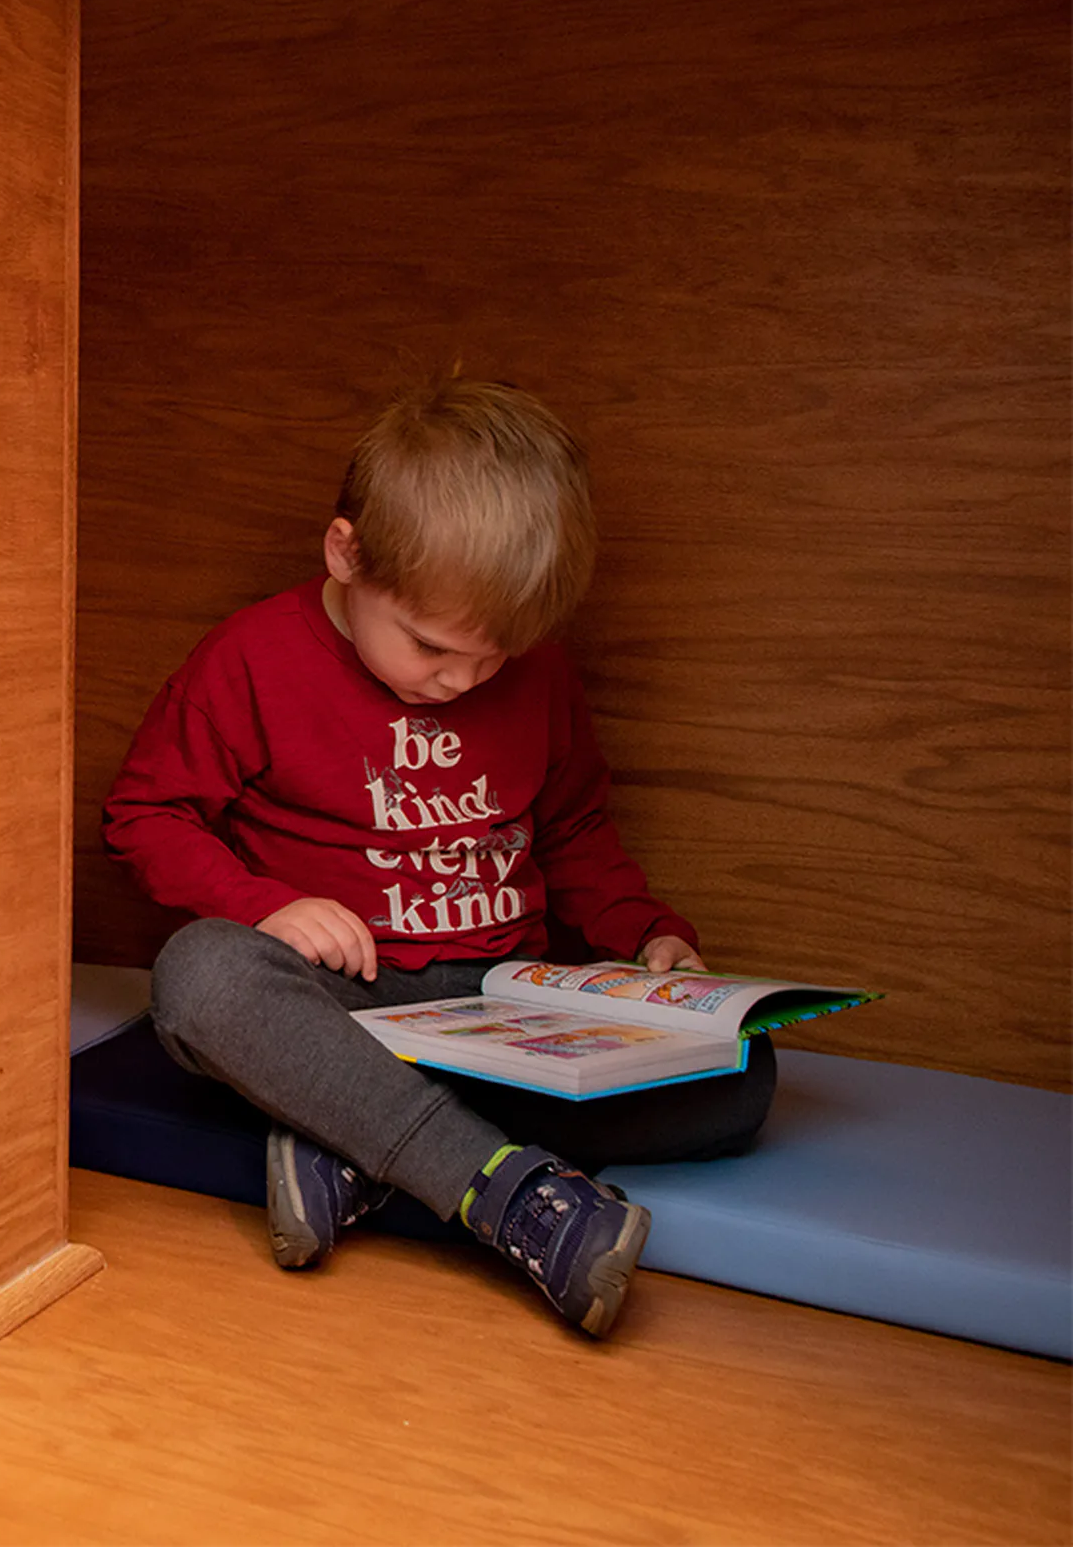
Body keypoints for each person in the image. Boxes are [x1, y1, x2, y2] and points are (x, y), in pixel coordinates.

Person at [102, 377, 775, 1337]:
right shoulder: (251, 660)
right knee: (200, 977)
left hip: (503, 1005)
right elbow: (146, 813)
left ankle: (353, 1137)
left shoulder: (537, 679)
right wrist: (263, 905)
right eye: (430, 646)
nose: (462, 680)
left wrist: (651, 937)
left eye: (493, 657)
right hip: (342, 1001)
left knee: (741, 1078)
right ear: (346, 554)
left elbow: (576, 832)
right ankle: (506, 1196)